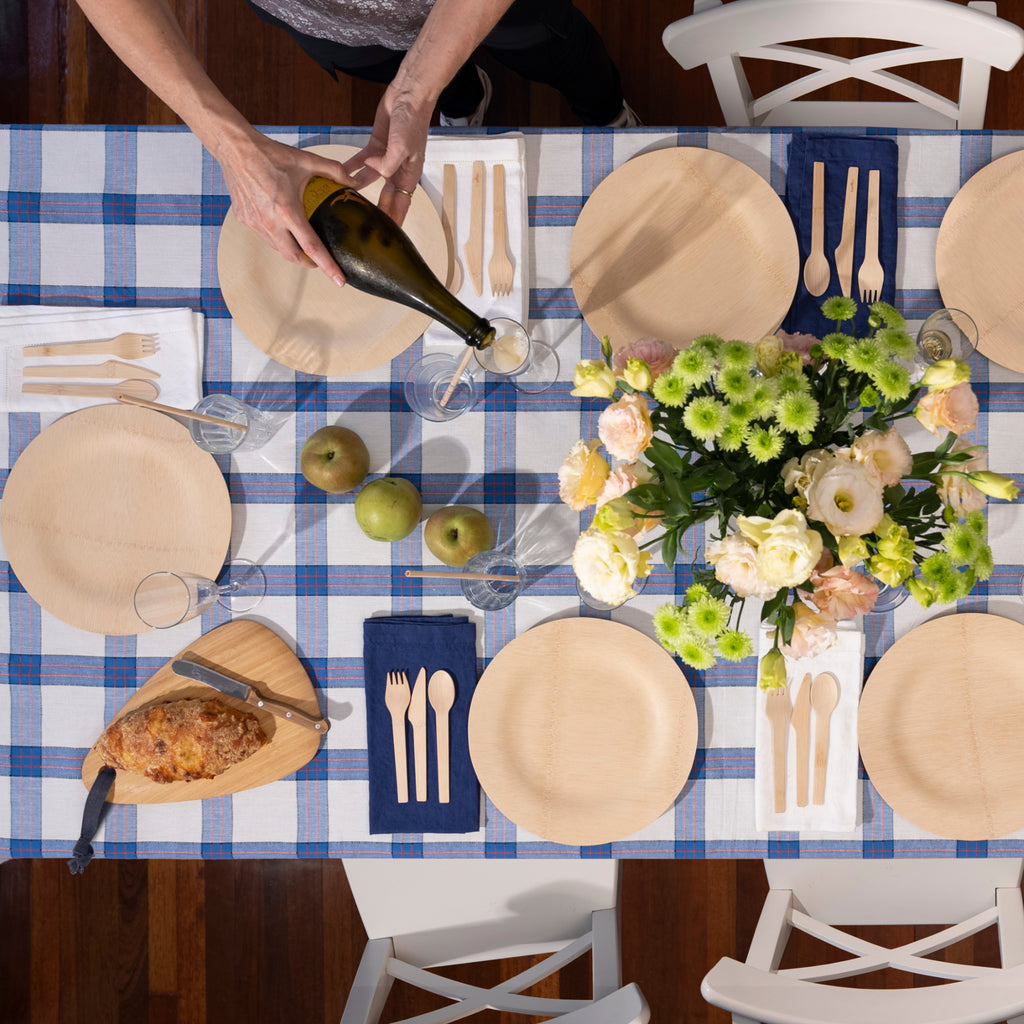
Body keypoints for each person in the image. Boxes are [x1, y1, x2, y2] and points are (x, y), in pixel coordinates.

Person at [74, 0, 634, 288]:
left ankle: (606, 112)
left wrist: (417, 84)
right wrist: (230, 145)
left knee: (559, 53)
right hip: (327, 18)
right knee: (405, 72)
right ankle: (463, 98)